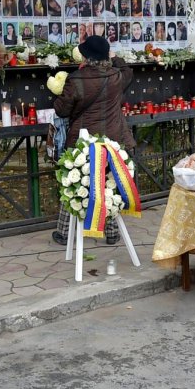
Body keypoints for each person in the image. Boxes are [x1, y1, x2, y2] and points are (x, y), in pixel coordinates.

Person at [50, 35, 135, 247]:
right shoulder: (116, 76)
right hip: (113, 141)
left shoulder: (76, 79)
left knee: (73, 181)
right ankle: (112, 232)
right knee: (109, 183)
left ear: (86, 57)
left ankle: (63, 231)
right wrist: (115, 58)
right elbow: (128, 72)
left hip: (83, 143)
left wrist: (58, 95)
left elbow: (62, 109)